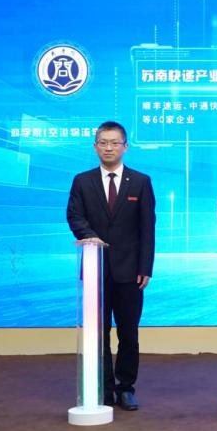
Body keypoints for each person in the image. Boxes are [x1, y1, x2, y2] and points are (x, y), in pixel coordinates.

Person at [66, 121, 156, 411]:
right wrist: (90, 237)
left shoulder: (140, 181)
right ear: (95, 147)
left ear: (125, 147)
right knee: (98, 333)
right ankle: (103, 388)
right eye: (103, 142)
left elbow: (147, 228)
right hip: (96, 270)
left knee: (129, 333)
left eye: (114, 143)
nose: (108, 148)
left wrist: (145, 267)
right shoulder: (82, 181)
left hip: (131, 272)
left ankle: (126, 387)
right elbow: (74, 215)